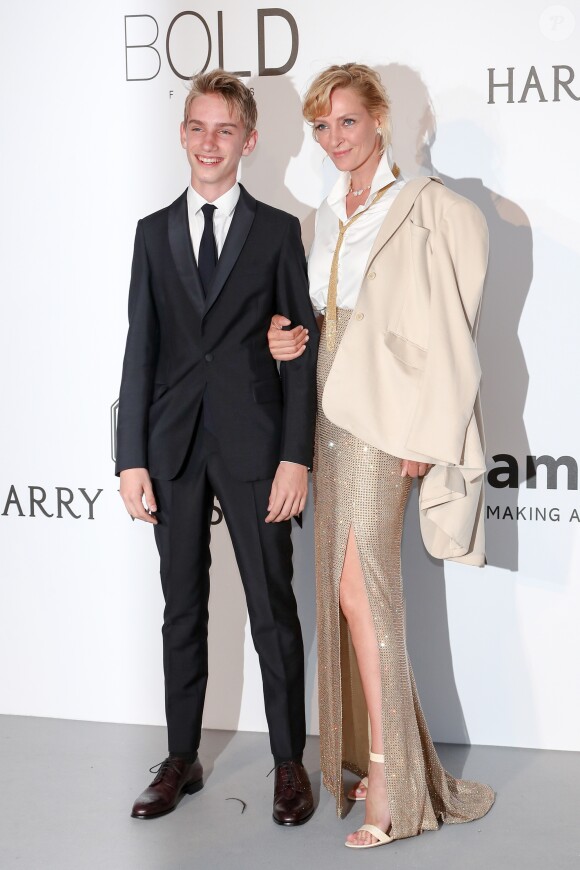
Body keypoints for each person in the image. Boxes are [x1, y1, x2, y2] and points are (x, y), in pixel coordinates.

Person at [267, 63, 494, 849]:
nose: (335, 141)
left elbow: (446, 330)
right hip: (326, 409)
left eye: (349, 123)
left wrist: (427, 433)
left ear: (382, 121)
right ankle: (391, 763)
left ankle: (395, 792)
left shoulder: (424, 207)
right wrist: (283, 339)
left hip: (384, 421)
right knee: (347, 595)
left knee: (367, 597)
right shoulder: (326, 214)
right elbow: (317, 319)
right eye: (322, 127)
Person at [116, 69, 318, 826]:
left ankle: (289, 763)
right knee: (181, 610)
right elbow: (142, 348)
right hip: (171, 452)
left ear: (250, 141)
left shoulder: (276, 232)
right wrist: (130, 458)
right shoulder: (151, 231)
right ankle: (180, 757)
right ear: (182, 135)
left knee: (272, 608)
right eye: (198, 127)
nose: (210, 142)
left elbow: (300, 349)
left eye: (225, 130)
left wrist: (295, 455)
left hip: (258, 449)